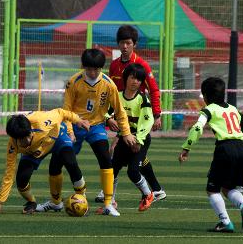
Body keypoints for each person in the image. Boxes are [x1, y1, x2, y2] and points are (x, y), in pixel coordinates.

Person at [36, 48, 135, 217]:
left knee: (105, 158)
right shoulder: (73, 82)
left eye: (96, 69)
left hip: (96, 126)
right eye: (89, 69)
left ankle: (108, 204)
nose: (93, 72)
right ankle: (55, 202)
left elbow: (119, 111)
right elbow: (65, 110)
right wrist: (70, 131)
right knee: (56, 163)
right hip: (74, 126)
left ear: (101, 68)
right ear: (83, 66)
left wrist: (126, 133)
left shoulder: (108, 84)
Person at [95, 24, 166, 203]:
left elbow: (154, 90)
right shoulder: (114, 65)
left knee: (122, 154)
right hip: (120, 114)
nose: (124, 47)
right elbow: (112, 92)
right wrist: (109, 116)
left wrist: (157, 115)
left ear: (134, 44)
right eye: (121, 43)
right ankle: (156, 190)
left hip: (138, 118)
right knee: (135, 155)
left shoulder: (142, 65)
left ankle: (109, 194)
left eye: (128, 43)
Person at [179, 77, 243, 233]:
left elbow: (197, 128)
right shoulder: (233, 109)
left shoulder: (209, 109)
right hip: (240, 148)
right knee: (228, 188)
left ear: (205, 97)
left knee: (212, 189)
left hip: (225, 149)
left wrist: (186, 148)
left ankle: (225, 222)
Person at [0, 109, 90, 214]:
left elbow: (61, 112)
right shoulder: (13, 144)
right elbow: (9, 173)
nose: (22, 143)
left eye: (24, 138)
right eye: (18, 139)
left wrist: (78, 121)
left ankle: (82, 198)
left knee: (70, 162)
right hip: (35, 151)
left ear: (30, 130)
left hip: (57, 138)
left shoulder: (43, 121)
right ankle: (33, 202)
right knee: (21, 179)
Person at [97, 63, 155, 213]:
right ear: (125, 78)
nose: (135, 81)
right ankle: (111, 203)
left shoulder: (143, 99)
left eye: (139, 79)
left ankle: (148, 195)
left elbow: (147, 121)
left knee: (133, 171)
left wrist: (139, 140)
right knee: (112, 170)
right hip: (124, 138)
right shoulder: (117, 97)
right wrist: (109, 119)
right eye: (132, 77)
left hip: (139, 139)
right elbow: (104, 111)